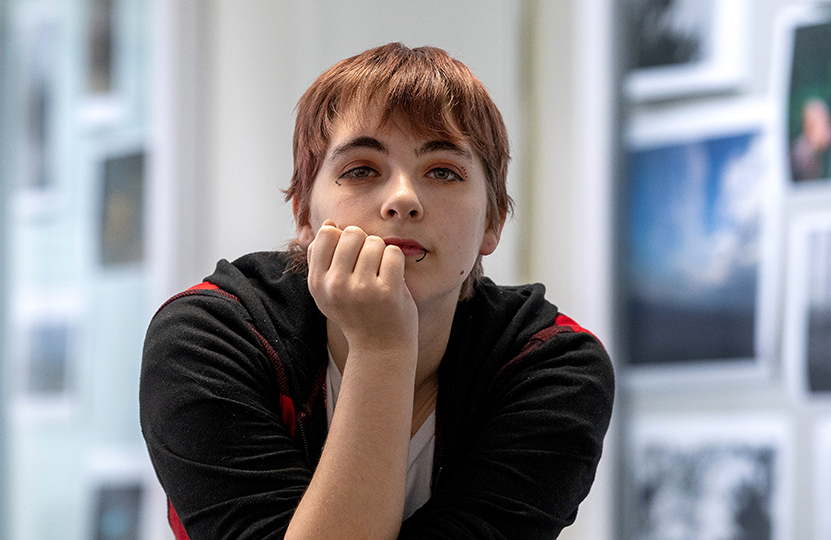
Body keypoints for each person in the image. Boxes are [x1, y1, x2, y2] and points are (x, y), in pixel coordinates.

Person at [140, 42, 615, 540]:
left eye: (443, 172)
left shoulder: (551, 367)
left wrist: (381, 347)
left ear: (493, 221)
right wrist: (381, 347)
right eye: (362, 170)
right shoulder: (210, 338)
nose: (403, 199)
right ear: (304, 213)